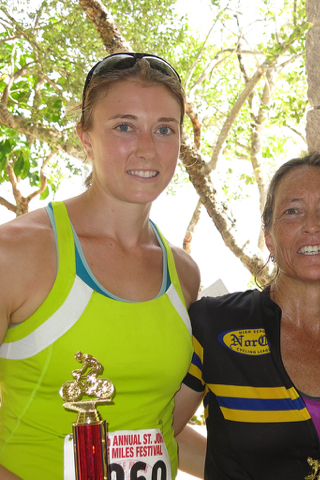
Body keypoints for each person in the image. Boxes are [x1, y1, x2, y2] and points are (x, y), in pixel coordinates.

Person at [0, 52, 200, 479]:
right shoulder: (14, 254)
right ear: (86, 138)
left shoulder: (184, 274)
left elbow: (161, 428)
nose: (147, 147)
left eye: (164, 129)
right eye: (124, 126)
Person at [173, 153, 320, 479]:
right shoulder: (214, 324)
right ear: (269, 239)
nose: (311, 224)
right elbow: (161, 432)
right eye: (292, 211)